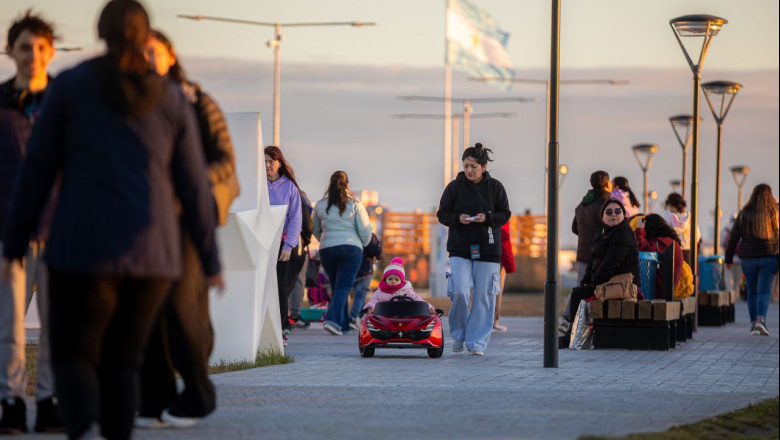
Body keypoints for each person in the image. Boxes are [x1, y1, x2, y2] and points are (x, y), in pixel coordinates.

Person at [0, 2, 223, 439]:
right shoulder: (171, 97)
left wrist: (12, 244)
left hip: (81, 250)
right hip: (151, 257)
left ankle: (80, 428)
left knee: (73, 354)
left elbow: (37, 172)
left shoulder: (70, 86)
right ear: (146, 36)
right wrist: (210, 261)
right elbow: (195, 186)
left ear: (100, 31)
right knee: (123, 361)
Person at [137, 29, 238, 429]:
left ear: (170, 55)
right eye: (139, 52)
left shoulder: (195, 99)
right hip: (143, 221)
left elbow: (225, 159)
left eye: (153, 52)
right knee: (146, 312)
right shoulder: (130, 102)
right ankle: (155, 400)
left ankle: (197, 394)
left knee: (182, 309)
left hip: (185, 216)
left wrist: (186, 178)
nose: (146, 59)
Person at [0, 10, 63, 434]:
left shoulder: (68, 102)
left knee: (58, 324)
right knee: (9, 324)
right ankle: (10, 402)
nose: (33, 56)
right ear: (10, 52)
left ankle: (51, 401)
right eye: (25, 47)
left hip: (62, 232)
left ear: (51, 51)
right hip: (10, 234)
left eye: (41, 48)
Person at [437, 143, 511, 356]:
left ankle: (477, 342)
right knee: (459, 291)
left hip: (488, 250)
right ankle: (458, 335)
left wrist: (487, 217)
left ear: (483, 167)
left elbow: (505, 214)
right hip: (460, 248)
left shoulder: (496, 187)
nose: (469, 170)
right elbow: (442, 214)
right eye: (466, 165)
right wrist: (457, 219)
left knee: (483, 297)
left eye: (473, 166)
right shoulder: (454, 187)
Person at [313, 171, 372, 335]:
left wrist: (324, 240)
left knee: (336, 287)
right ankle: (331, 320)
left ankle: (343, 325)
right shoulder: (355, 204)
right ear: (347, 185)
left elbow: (315, 229)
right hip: (350, 249)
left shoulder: (320, 205)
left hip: (327, 249)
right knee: (344, 287)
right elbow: (366, 229)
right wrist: (362, 244)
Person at [564, 199, 640, 323]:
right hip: (608, 283)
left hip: (622, 285)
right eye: (609, 212)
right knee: (577, 292)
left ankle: (573, 335)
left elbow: (611, 263)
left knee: (576, 295)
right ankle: (577, 333)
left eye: (617, 211)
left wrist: (594, 285)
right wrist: (586, 281)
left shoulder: (624, 233)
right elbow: (593, 258)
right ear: (603, 217)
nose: (614, 214)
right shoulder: (602, 232)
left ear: (623, 215)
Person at [725, 184, 779, 336]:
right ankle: (761, 321)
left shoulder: (744, 213)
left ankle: (753, 324)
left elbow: (733, 237)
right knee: (764, 292)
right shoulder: (775, 213)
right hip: (769, 258)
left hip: (748, 259)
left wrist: (728, 258)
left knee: (752, 292)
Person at [562, 170, 612, 330]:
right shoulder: (606, 204)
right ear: (606, 183)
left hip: (583, 252)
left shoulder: (582, 205)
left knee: (580, 287)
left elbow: (574, 228)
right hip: (600, 254)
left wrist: (586, 237)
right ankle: (596, 322)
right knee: (603, 288)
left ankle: (569, 320)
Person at [265, 146, 302, 345]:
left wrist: (289, 246)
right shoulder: (258, 185)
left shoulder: (289, 187)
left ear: (279, 162)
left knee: (279, 286)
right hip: (261, 242)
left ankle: (280, 329)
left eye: (271, 161)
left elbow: (296, 218)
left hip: (281, 244)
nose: (268, 165)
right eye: (264, 162)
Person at [364, 257, 434, 315]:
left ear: (401, 281)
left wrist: (429, 307)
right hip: (385, 318)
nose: (393, 281)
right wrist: (370, 308)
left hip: (405, 317)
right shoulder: (380, 292)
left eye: (396, 279)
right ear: (385, 280)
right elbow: (373, 301)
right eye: (390, 279)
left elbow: (418, 299)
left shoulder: (406, 290)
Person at [634, 214, 683, 296]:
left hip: (658, 293)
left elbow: (640, 247)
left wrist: (640, 230)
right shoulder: (670, 241)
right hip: (662, 291)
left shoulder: (663, 243)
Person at [349, 233, 383, 330]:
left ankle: (364, 318)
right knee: (360, 294)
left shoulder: (350, 233)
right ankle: (352, 318)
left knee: (360, 295)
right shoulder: (367, 235)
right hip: (365, 269)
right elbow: (377, 251)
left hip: (351, 268)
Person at [663, 193, 700, 263]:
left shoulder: (668, 217)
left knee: (676, 272)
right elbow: (697, 236)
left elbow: (664, 232)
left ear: (671, 205)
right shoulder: (691, 218)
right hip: (689, 250)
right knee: (688, 272)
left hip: (674, 250)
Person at [493, 222, 515, 332]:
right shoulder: (501, 214)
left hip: (480, 256)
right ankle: (494, 321)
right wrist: (509, 264)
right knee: (497, 291)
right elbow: (505, 241)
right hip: (498, 257)